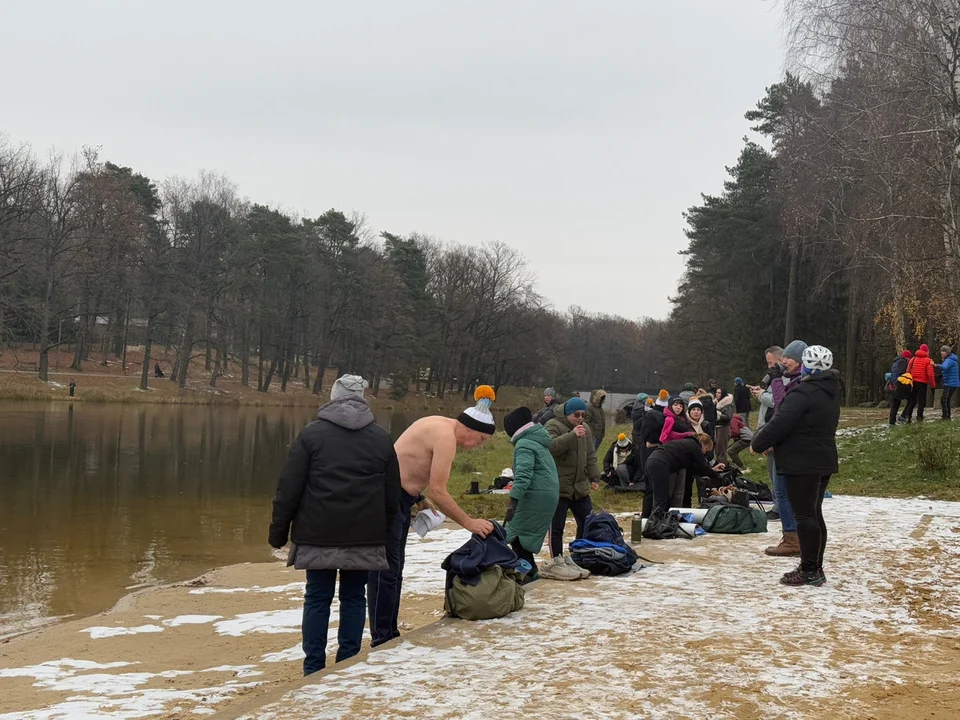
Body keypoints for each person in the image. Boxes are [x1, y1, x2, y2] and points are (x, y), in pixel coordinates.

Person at [269, 375, 400, 675]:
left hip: (317, 534)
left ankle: (313, 667)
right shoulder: (381, 438)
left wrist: (278, 533)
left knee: (317, 597)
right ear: (364, 400)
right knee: (354, 598)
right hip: (364, 537)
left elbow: (289, 488)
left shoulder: (311, 435)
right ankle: (348, 663)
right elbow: (391, 496)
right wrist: (384, 533)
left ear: (332, 397)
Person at [368, 385, 497, 647]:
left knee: (394, 568)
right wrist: (469, 522)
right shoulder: (446, 438)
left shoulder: (439, 424)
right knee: (386, 570)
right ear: (472, 429)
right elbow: (439, 491)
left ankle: (388, 633)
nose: (477, 447)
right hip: (386, 497)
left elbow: (406, 461)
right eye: (482, 440)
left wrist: (417, 497)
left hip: (397, 494)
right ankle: (382, 637)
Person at [751, 345, 840, 587]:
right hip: (823, 460)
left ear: (806, 365)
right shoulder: (829, 391)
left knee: (804, 517)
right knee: (814, 515)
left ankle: (810, 569)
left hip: (802, 462)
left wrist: (757, 443)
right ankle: (814, 567)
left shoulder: (804, 392)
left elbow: (781, 422)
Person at [502, 406, 560, 584]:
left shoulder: (524, 444)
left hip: (534, 496)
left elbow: (524, 476)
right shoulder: (537, 441)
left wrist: (513, 502)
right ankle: (528, 570)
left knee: (516, 534)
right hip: (547, 495)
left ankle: (527, 573)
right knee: (521, 534)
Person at [544, 397, 600, 579]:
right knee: (557, 527)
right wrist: (572, 435)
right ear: (568, 413)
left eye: (583, 415)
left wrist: (594, 477)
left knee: (588, 522)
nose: (580, 418)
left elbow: (590, 454)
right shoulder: (552, 425)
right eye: (577, 415)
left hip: (580, 485)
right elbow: (550, 447)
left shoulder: (587, 429)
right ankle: (556, 561)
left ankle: (579, 556)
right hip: (559, 486)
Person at [763, 340, 806, 556]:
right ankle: (794, 536)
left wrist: (776, 380)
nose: (783, 363)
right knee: (785, 491)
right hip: (785, 442)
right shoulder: (795, 379)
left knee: (783, 491)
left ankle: (792, 538)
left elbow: (782, 405)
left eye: (786, 359)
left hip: (790, 445)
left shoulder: (798, 382)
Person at [643, 434, 724, 514]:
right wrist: (717, 476)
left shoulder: (686, 444)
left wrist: (712, 470)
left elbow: (695, 468)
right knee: (661, 498)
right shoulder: (695, 446)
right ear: (703, 444)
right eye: (706, 449)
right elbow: (703, 466)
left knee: (650, 493)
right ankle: (655, 523)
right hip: (661, 465)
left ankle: (644, 520)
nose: (705, 452)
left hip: (651, 460)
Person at [638, 390, 670, 517]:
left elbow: (643, 433)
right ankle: (651, 516)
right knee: (654, 488)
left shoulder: (650, 414)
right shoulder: (659, 417)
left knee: (649, 487)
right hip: (653, 451)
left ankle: (646, 516)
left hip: (646, 451)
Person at [904, 344, 936, 423]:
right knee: (921, 401)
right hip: (922, 383)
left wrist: (909, 379)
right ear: (926, 351)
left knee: (912, 400)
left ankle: (908, 416)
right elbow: (930, 374)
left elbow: (908, 370)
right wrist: (933, 384)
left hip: (913, 382)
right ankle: (919, 416)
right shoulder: (928, 360)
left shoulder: (913, 359)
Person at [888, 350, 912, 425]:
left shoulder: (896, 362)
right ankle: (903, 415)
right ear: (907, 357)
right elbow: (902, 372)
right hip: (899, 384)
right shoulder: (903, 362)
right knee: (911, 399)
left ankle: (892, 421)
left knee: (895, 403)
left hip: (893, 384)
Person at [936, 345, 958, 420]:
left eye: (944, 351)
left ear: (947, 352)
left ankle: (946, 417)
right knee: (945, 400)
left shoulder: (949, 360)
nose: (942, 353)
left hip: (950, 383)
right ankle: (946, 416)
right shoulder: (949, 360)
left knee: (944, 400)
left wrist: (935, 365)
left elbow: (944, 367)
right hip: (949, 383)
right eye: (941, 351)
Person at [713, 387, 734, 465]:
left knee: (722, 448)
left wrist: (718, 415)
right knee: (717, 448)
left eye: (719, 393)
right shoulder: (714, 403)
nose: (717, 394)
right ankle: (719, 464)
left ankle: (723, 466)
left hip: (724, 427)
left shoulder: (727, 404)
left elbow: (728, 416)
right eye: (716, 392)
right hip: (716, 427)